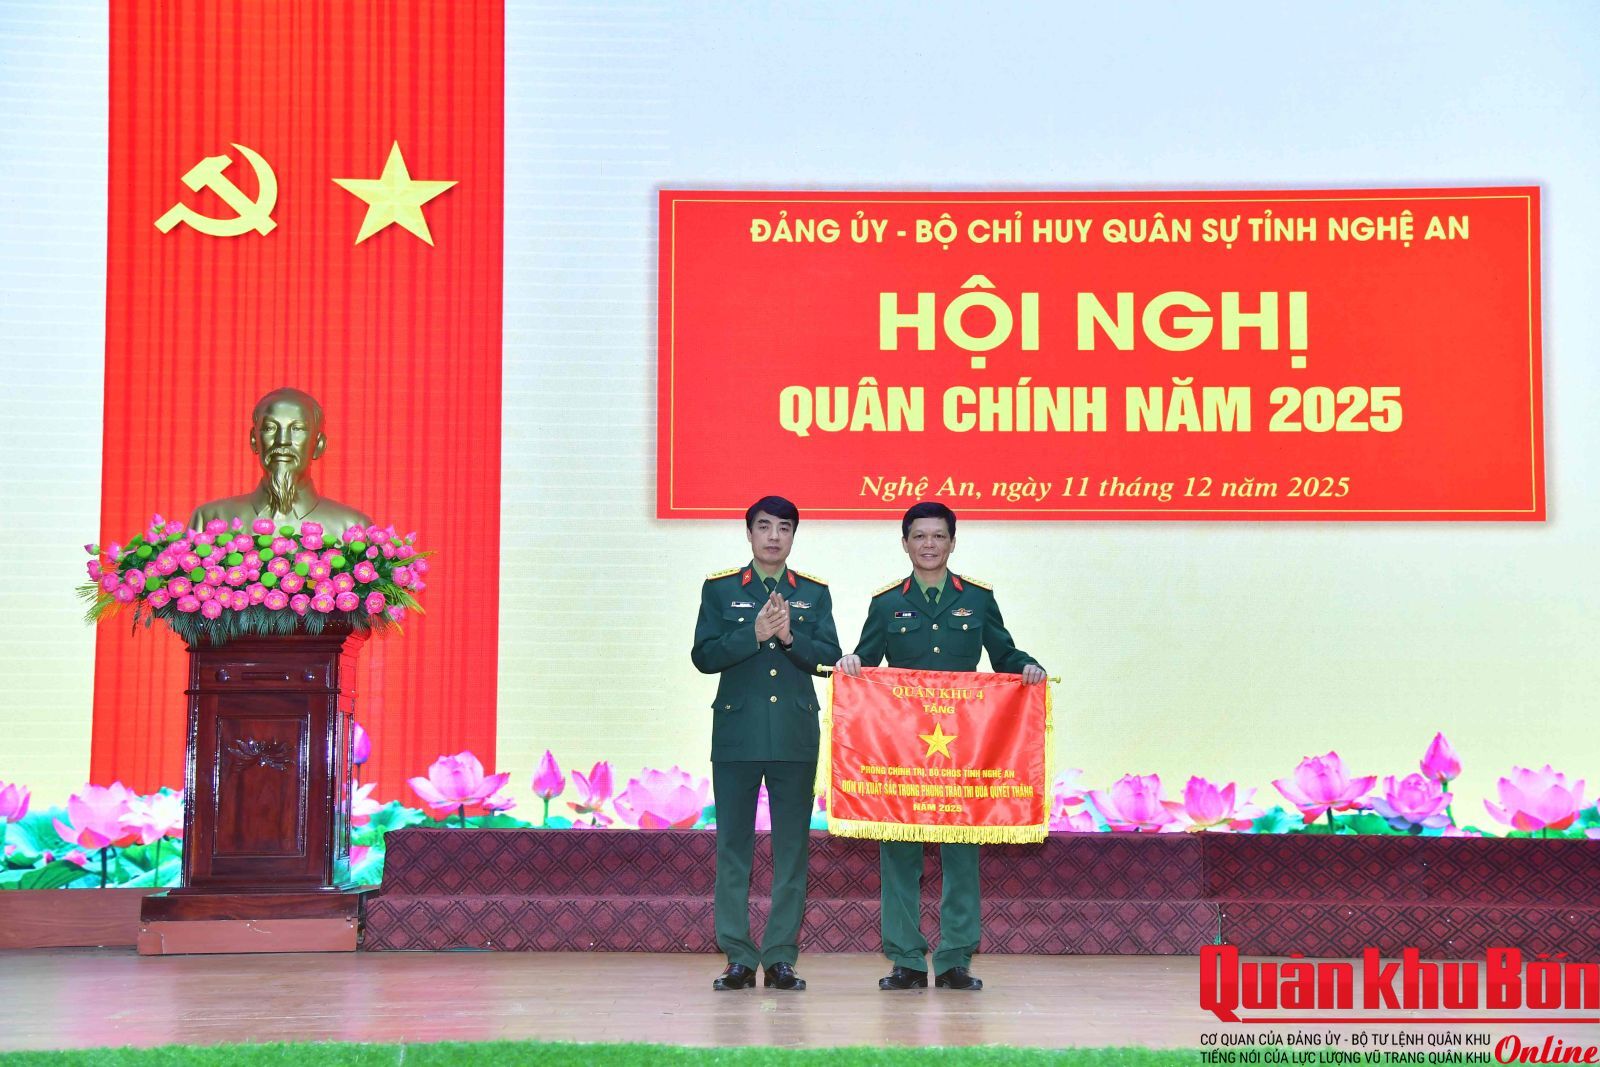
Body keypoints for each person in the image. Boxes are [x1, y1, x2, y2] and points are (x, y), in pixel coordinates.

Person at [836, 501, 1046, 992]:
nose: (928, 544)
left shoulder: (978, 598)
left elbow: (1004, 653)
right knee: (899, 852)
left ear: (953, 542)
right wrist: (852, 663)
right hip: (903, 751)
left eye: (937, 536)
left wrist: (1027, 666)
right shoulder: (886, 603)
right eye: (919, 536)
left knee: (961, 854)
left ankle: (955, 959)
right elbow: (868, 659)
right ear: (905, 543)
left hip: (963, 749)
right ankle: (906, 960)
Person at [692, 495, 840, 992]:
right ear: (749, 533)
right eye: (764, 526)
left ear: (794, 535)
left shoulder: (813, 593)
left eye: (784, 527)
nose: (774, 536)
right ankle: (737, 955)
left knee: (791, 851)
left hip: (795, 736)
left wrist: (793, 639)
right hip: (737, 734)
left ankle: (779, 957)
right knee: (733, 848)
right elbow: (703, 656)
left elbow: (830, 661)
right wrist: (752, 634)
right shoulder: (721, 589)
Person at [190, 387, 372, 532]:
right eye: (270, 428)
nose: (282, 440)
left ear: (318, 445)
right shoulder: (210, 520)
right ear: (254, 440)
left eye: (297, 429)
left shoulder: (352, 528)